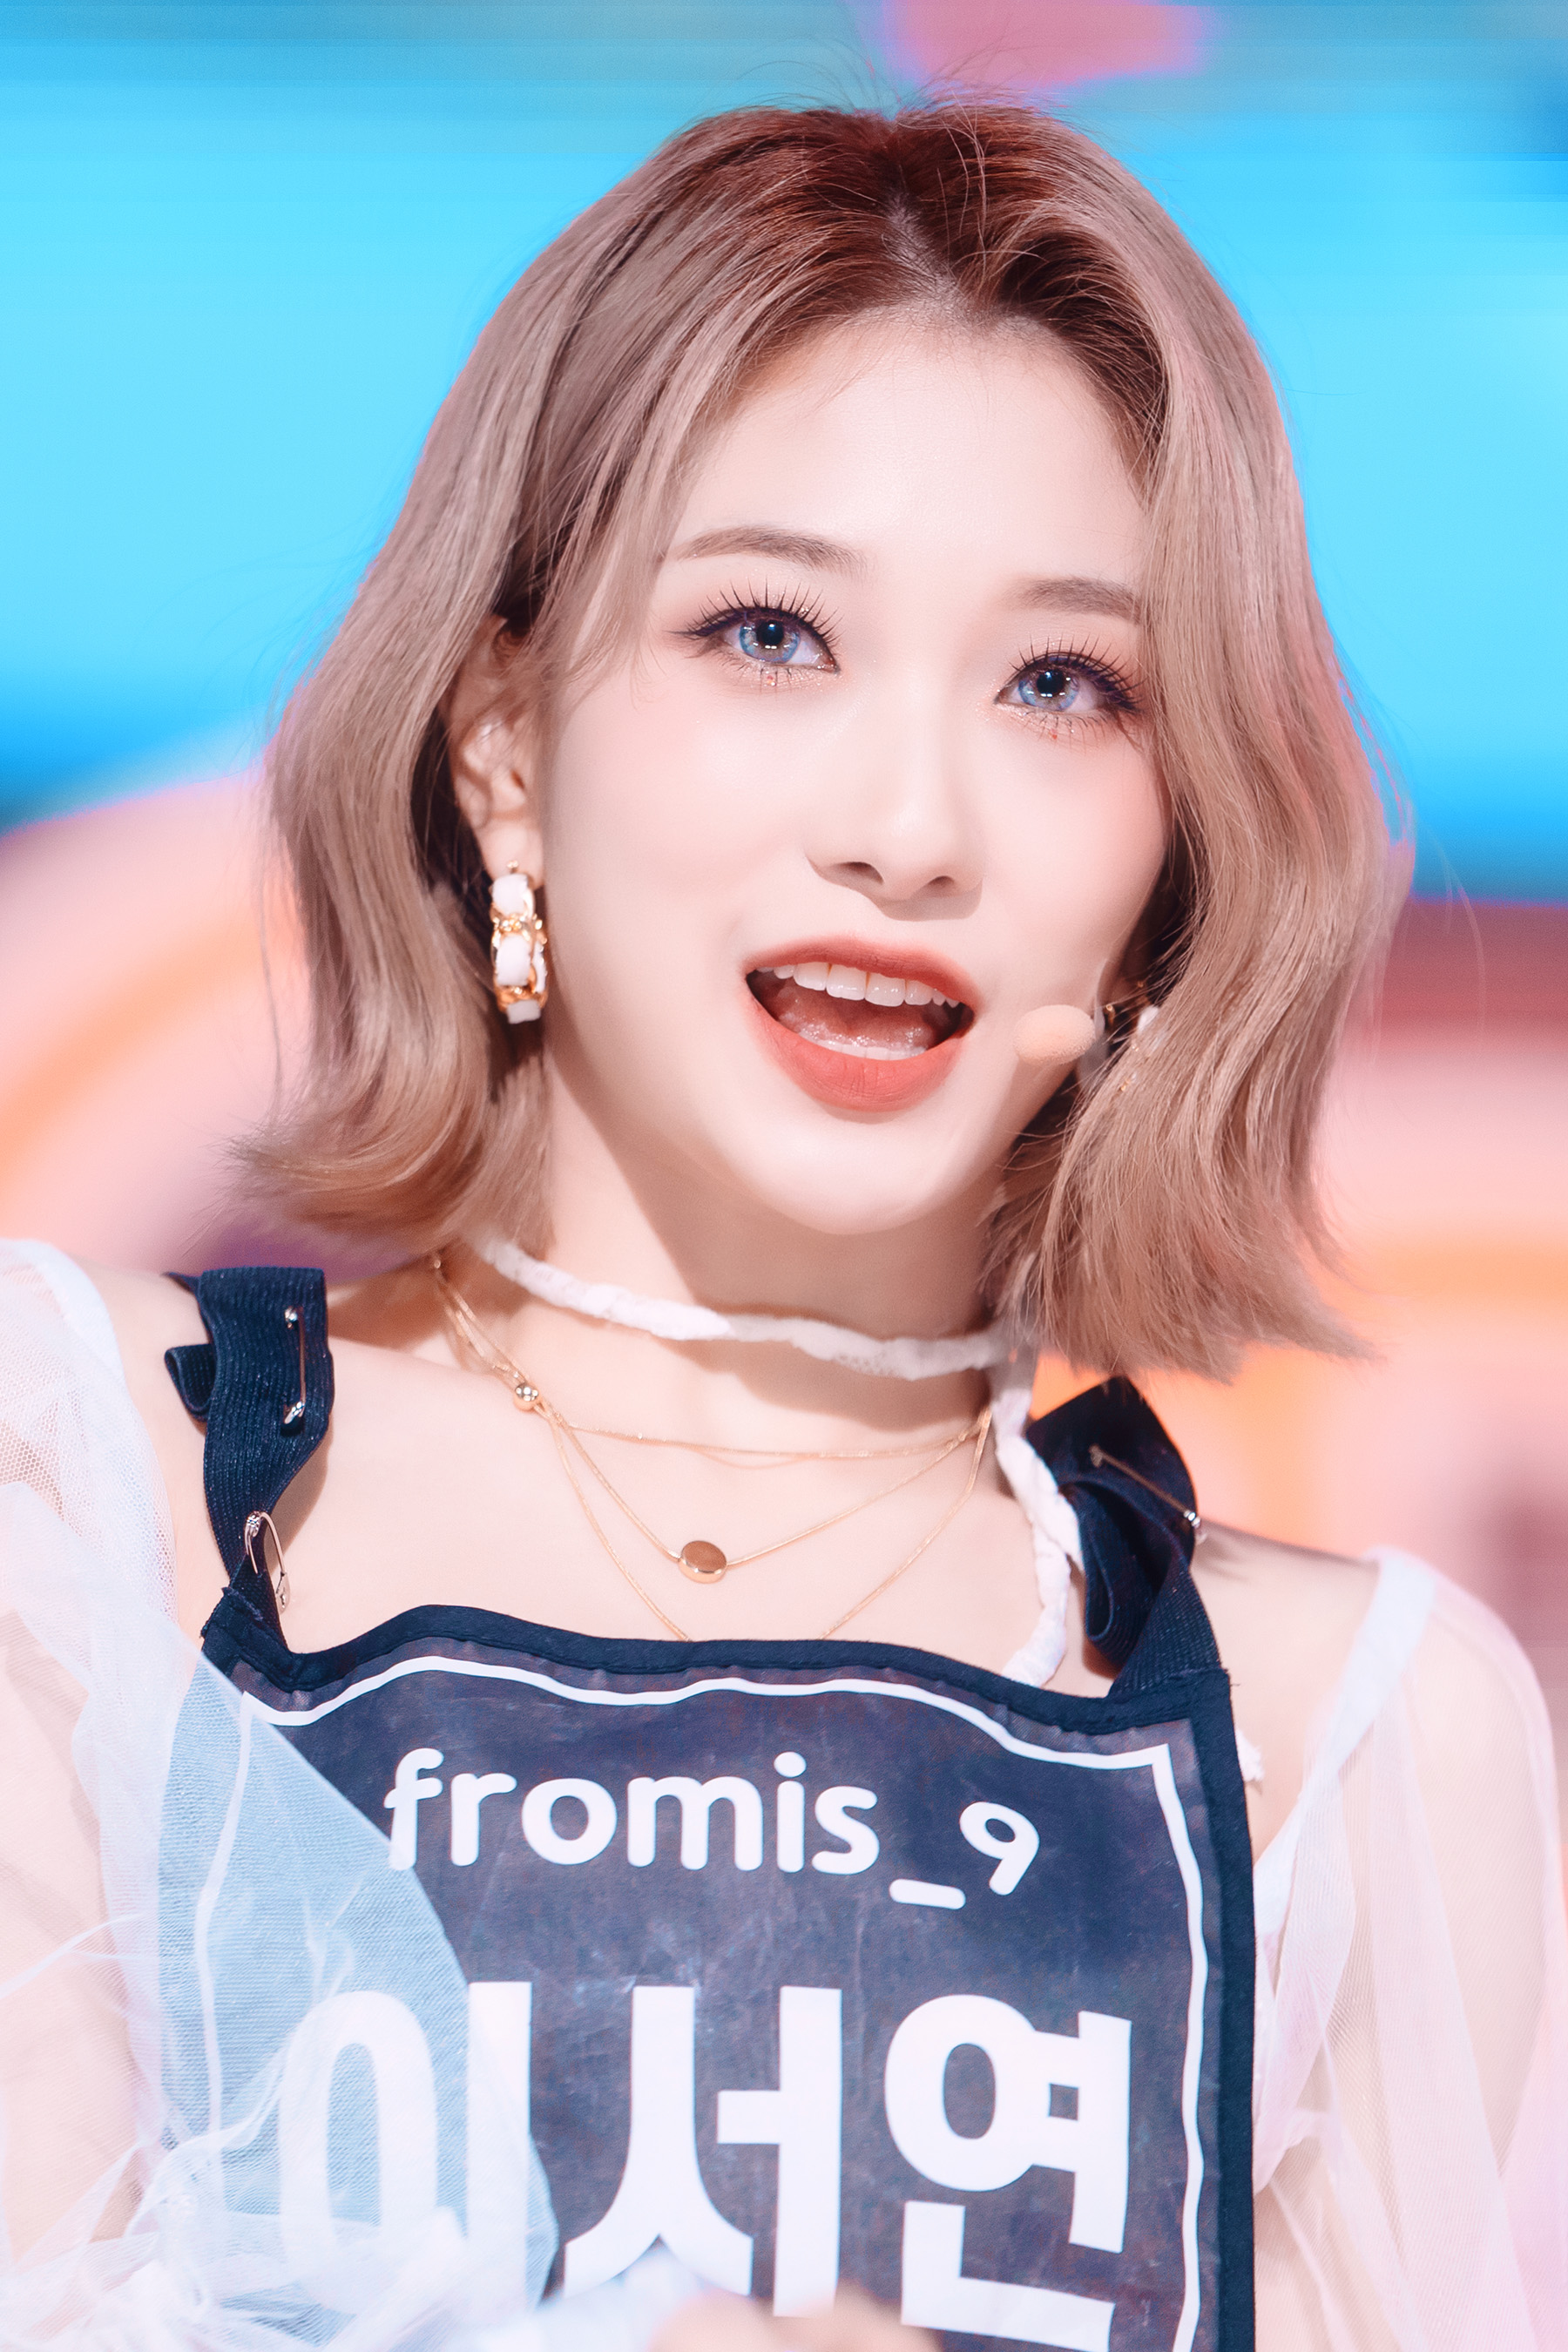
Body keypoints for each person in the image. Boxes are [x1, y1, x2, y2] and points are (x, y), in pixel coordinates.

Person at [1, 98, 1563, 2352]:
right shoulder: (86, 1492)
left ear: (1177, 857)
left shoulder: (1357, 1744)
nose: (910, 827)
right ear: (503, 744)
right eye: (769, 631)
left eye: (1064, 686)